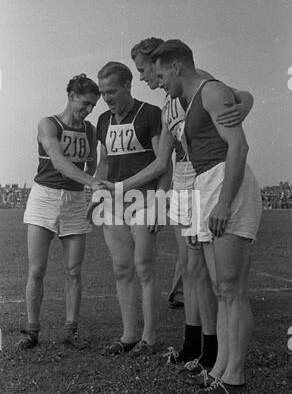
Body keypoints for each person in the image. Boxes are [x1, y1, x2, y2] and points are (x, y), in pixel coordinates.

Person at [101, 37, 254, 375]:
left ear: (164, 65)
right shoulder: (169, 101)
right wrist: (121, 188)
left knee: (207, 274)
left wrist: (245, 103)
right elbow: (160, 162)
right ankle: (194, 345)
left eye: (144, 70)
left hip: (205, 176)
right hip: (188, 183)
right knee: (190, 269)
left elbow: (234, 96)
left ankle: (213, 350)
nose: (144, 77)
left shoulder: (194, 85)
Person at [150, 39, 262, 394]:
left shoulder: (210, 91)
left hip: (225, 184)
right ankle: (220, 368)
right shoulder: (183, 102)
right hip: (204, 184)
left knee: (231, 289)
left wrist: (224, 203)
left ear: (177, 67)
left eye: (162, 73)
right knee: (220, 290)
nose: (160, 80)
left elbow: (239, 147)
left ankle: (236, 375)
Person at [17, 74, 102, 350]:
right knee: (37, 269)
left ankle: (70, 330)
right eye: (85, 103)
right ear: (71, 96)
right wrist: (92, 182)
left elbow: (93, 165)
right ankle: (32, 331)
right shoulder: (48, 124)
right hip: (44, 197)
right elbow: (59, 161)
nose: (89, 110)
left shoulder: (90, 130)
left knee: (74, 270)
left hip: (75, 201)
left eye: (93, 106)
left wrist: (92, 188)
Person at [92, 61, 168, 357]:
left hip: (145, 199)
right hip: (113, 202)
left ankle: (149, 339)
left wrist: (161, 201)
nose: (107, 98)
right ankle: (128, 335)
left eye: (111, 91)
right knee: (121, 268)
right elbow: (105, 162)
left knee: (145, 269)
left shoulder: (150, 114)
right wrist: (97, 191)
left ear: (127, 85)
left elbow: (163, 163)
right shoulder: (102, 121)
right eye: (102, 93)